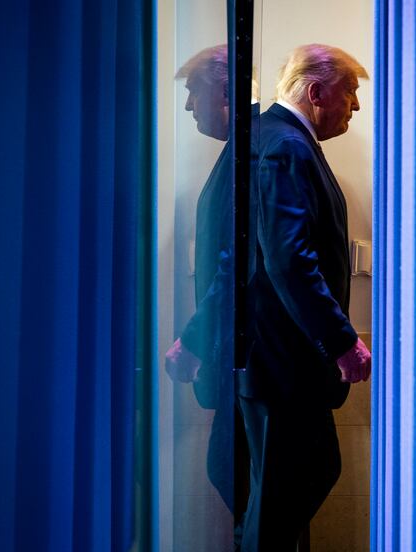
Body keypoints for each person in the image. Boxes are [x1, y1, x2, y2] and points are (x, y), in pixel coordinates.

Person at [236, 44, 372, 551]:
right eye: (351, 92)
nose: (355, 106)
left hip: (278, 360)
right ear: (317, 92)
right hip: (283, 364)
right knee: (280, 503)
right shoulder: (287, 145)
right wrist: (343, 341)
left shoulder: (278, 138)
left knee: (303, 479)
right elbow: (290, 259)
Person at [164, 44, 256, 527]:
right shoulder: (242, 150)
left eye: (191, 91)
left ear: (225, 90)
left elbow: (234, 265)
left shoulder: (252, 153)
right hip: (238, 364)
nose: (186, 105)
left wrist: (193, 341)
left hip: (244, 364)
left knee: (234, 476)